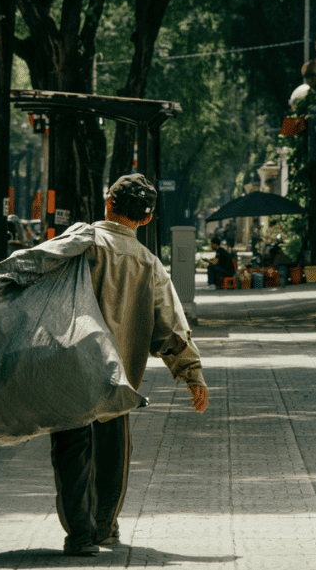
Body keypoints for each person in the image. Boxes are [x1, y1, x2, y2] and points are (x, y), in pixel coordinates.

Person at [50, 173, 209, 556]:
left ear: (108, 203)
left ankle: (81, 536)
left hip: (70, 370)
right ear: (146, 218)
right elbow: (169, 325)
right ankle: (104, 527)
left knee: (72, 451)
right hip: (117, 377)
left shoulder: (79, 242)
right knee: (113, 452)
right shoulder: (148, 264)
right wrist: (192, 374)